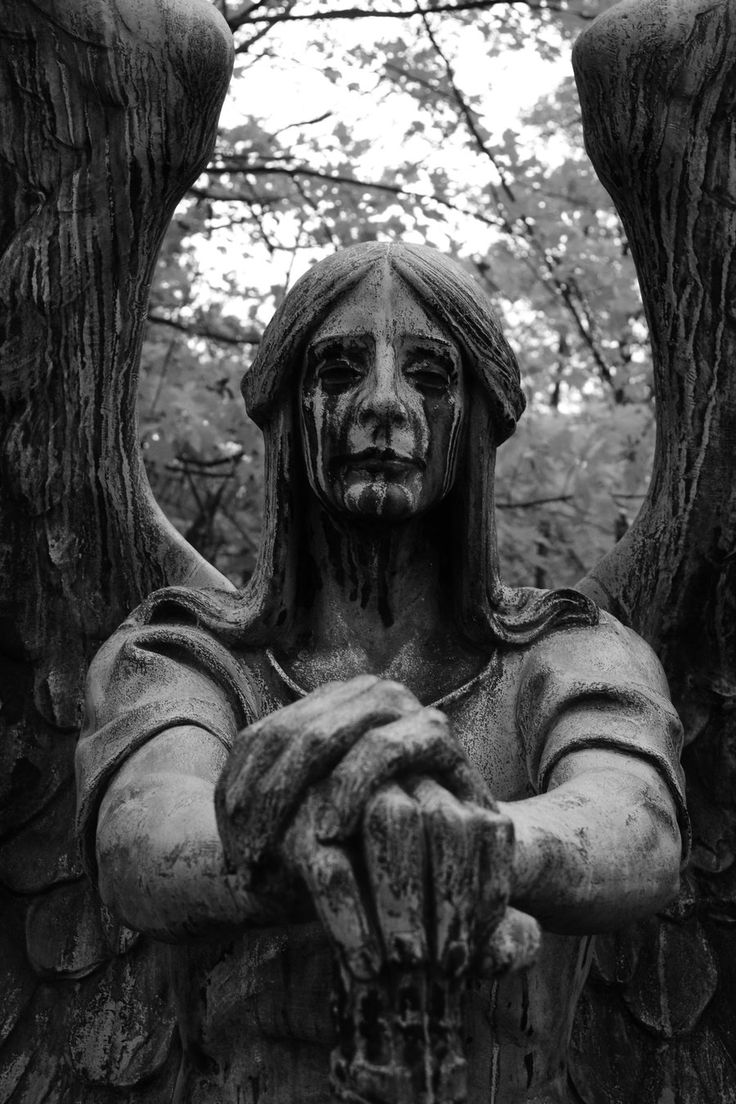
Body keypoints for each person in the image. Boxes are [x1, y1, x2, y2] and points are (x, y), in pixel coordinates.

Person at [76, 242, 687, 1104]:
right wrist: (292, 842)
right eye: (338, 369)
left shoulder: (574, 654)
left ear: (477, 413)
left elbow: (637, 823)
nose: (384, 405)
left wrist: (478, 845)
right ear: (288, 405)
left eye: (431, 374)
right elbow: (143, 833)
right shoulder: (180, 656)